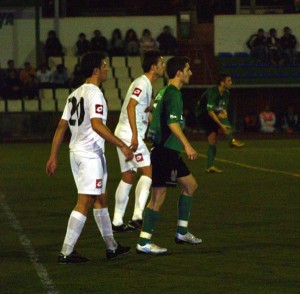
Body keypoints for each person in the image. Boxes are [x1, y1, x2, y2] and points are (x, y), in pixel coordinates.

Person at [45, 52, 133, 263]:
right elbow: (97, 124)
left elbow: (61, 127)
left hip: (77, 153)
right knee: (84, 202)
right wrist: (122, 144)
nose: (106, 69)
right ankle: (66, 252)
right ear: (95, 70)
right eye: (104, 65)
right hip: (89, 155)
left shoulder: (74, 94)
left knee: (100, 198)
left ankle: (112, 247)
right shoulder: (95, 93)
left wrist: (53, 156)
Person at [136, 56, 201, 255]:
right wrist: (188, 146)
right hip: (165, 151)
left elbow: (153, 113)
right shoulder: (173, 94)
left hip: (168, 150)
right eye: (188, 68)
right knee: (158, 196)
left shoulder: (164, 91)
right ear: (179, 72)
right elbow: (173, 124)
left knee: (190, 186)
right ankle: (144, 241)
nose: (191, 72)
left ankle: (182, 232)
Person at [112, 50, 166, 233]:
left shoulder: (146, 85)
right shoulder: (143, 83)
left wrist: (150, 115)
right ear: (153, 67)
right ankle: (137, 216)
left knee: (128, 176)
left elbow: (139, 109)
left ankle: (117, 221)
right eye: (161, 63)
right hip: (128, 135)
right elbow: (130, 105)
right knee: (148, 171)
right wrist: (135, 135)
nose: (163, 65)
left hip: (123, 133)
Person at [195, 73, 245, 173]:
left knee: (213, 140)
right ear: (222, 83)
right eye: (229, 81)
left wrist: (224, 113)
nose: (231, 83)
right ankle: (231, 140)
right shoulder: (213, 92)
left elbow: (223, 109)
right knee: (218, 123)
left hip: (213, 113)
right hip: (203, 114)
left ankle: (210, 167)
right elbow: (210, 111)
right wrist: (221, 125)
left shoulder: (226, 93)